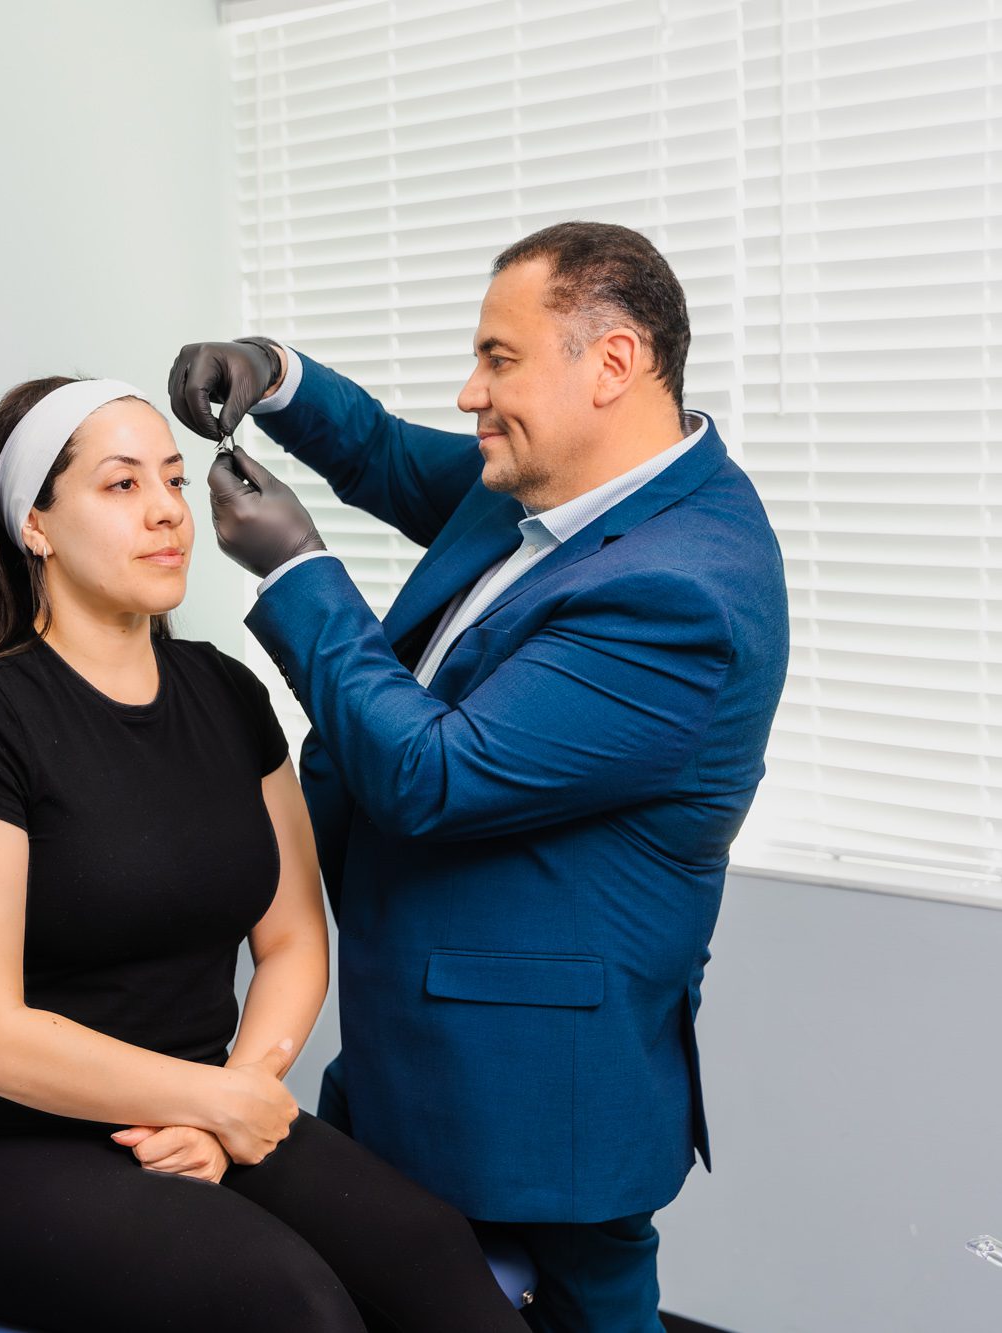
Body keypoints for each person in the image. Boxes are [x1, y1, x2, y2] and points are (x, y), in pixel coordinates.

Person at [166, 221, 790, 1333]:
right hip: (420, 1049)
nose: (469, 393)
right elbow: (391, 459)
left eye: (499, 359)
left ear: (611, 365)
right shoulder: (561, 486)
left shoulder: (679, 591)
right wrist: (273, 373)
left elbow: (430, 774)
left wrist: (298, 571)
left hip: (533, 1091)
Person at [0, 375, 530, 1333]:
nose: (166, 514)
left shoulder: (226, 692)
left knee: (434, 1254)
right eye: (120, 485)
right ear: (37, 526)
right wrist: (213, 1100)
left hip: (204, 1108)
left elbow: (296, 937)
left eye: (175, 482)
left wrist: (241, 1097)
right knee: (291, 1307)